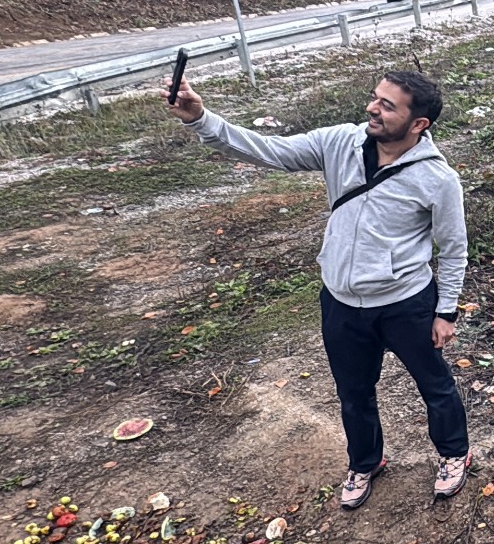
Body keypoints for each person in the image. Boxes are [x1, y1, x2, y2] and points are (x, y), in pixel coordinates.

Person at [165, 68, 473, 510]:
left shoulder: (438, 179)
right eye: (375, 98)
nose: (373, 108)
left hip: (406, 302)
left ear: (419, 123)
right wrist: (201, 119)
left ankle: (452, 454)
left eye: (388, 106)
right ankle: (365, 461)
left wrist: (446, 312)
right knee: (353, 393)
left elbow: (455, 247)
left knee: (435, 386)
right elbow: (270, 150)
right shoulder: (340, 143)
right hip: (342, 303)